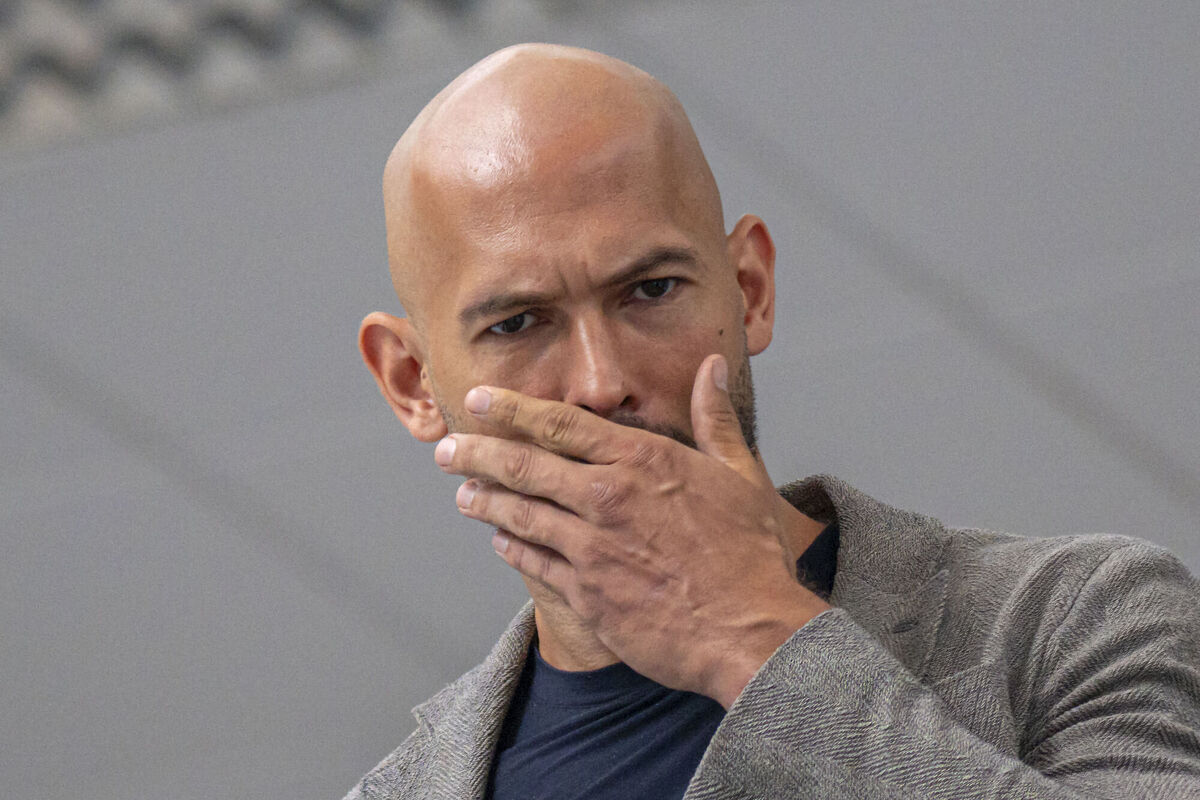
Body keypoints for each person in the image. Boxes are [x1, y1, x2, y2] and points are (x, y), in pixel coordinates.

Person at [347, 43, 1200, 799]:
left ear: (748, 289)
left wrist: (754, 638)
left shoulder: (1073, 619)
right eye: (518, 324)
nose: (602, 384)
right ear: (413, 381)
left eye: (651, 290)